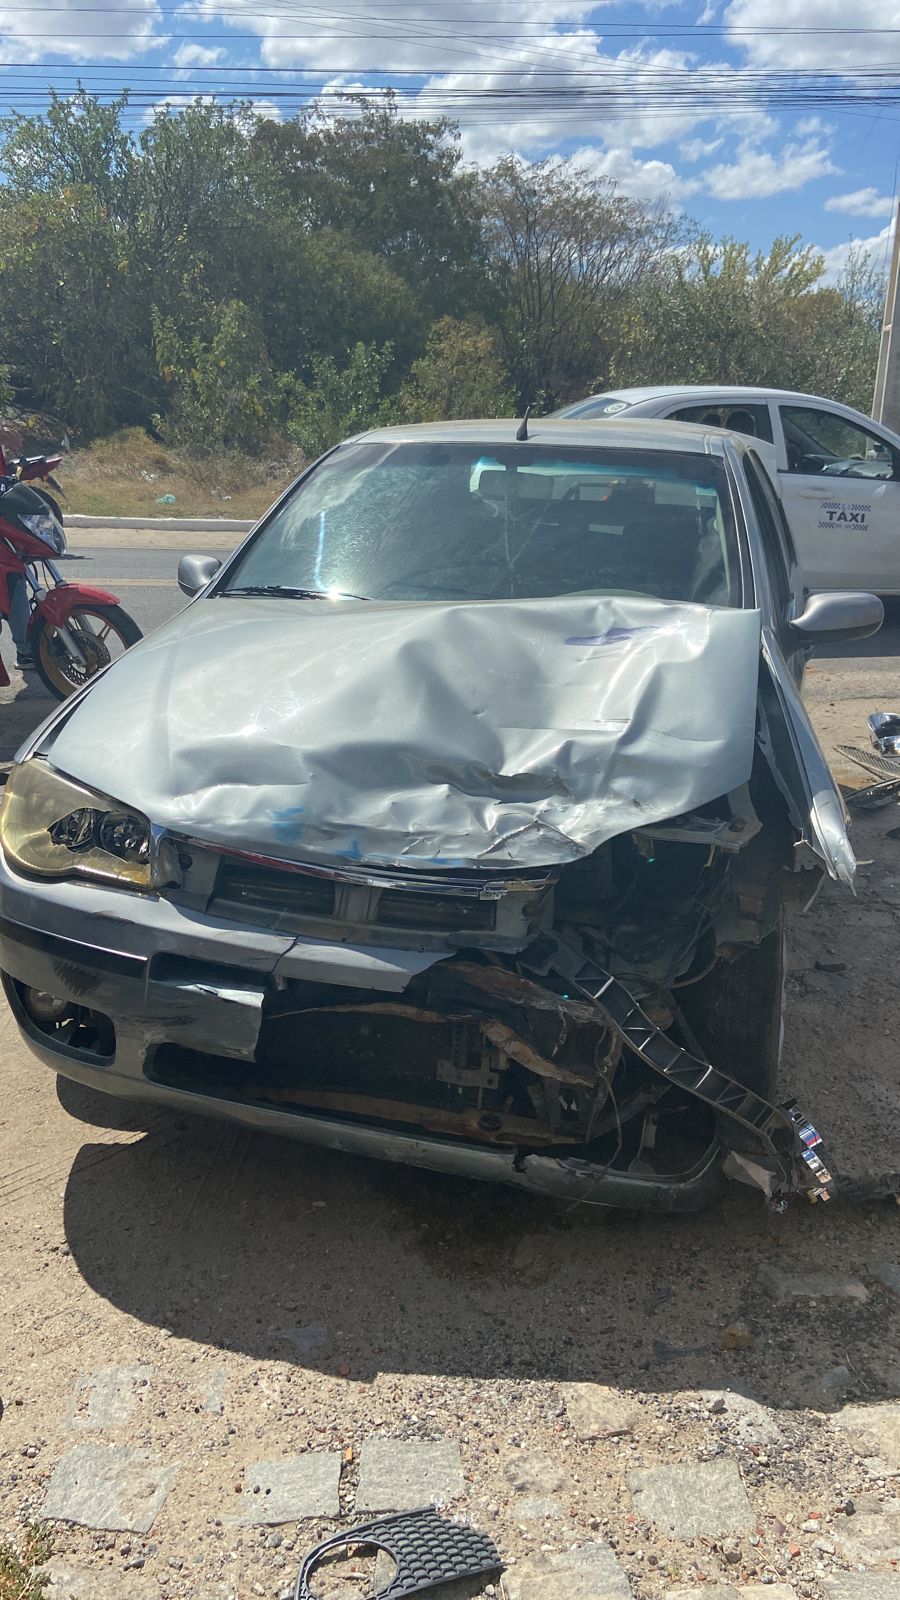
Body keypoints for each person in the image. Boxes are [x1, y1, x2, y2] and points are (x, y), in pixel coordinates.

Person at [0, 418, 32, 670]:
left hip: (5, 518)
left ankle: (27, 648)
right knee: (14, 582)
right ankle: (26, 649)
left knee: (15, 581)